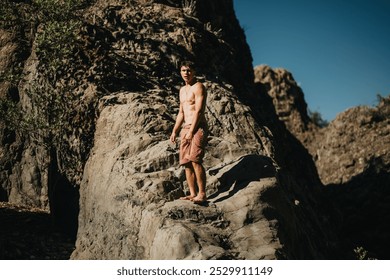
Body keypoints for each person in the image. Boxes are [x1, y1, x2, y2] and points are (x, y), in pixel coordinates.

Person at [170, 61, 208, 204]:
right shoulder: (182, 90)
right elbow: (181, 112)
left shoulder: (199, 87)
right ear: (180, 72)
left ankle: (202, 194)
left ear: (194, 71)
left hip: (198, 127)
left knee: (195, 160)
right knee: (186, 162)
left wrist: (192, 131)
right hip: (186, 127)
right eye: (183, 70)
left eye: (189, 70)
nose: (186, 73)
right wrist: (175, 131)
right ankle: (193, 193)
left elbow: (199, 110)